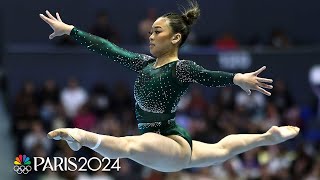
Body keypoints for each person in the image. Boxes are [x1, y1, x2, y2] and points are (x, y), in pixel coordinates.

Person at [39, 0, 299, 172]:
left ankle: (82, 136)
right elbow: (109, 49)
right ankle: (268, 137)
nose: (151, 36)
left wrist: (236, 78)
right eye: (150, 32)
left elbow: (208, 75)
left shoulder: (181, 68)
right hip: (166, 147)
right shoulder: (143, 64)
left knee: (130, 146)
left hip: (169, 141)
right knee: (223, 149)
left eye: (157, 31)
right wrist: (71, 30)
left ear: (175, 37)